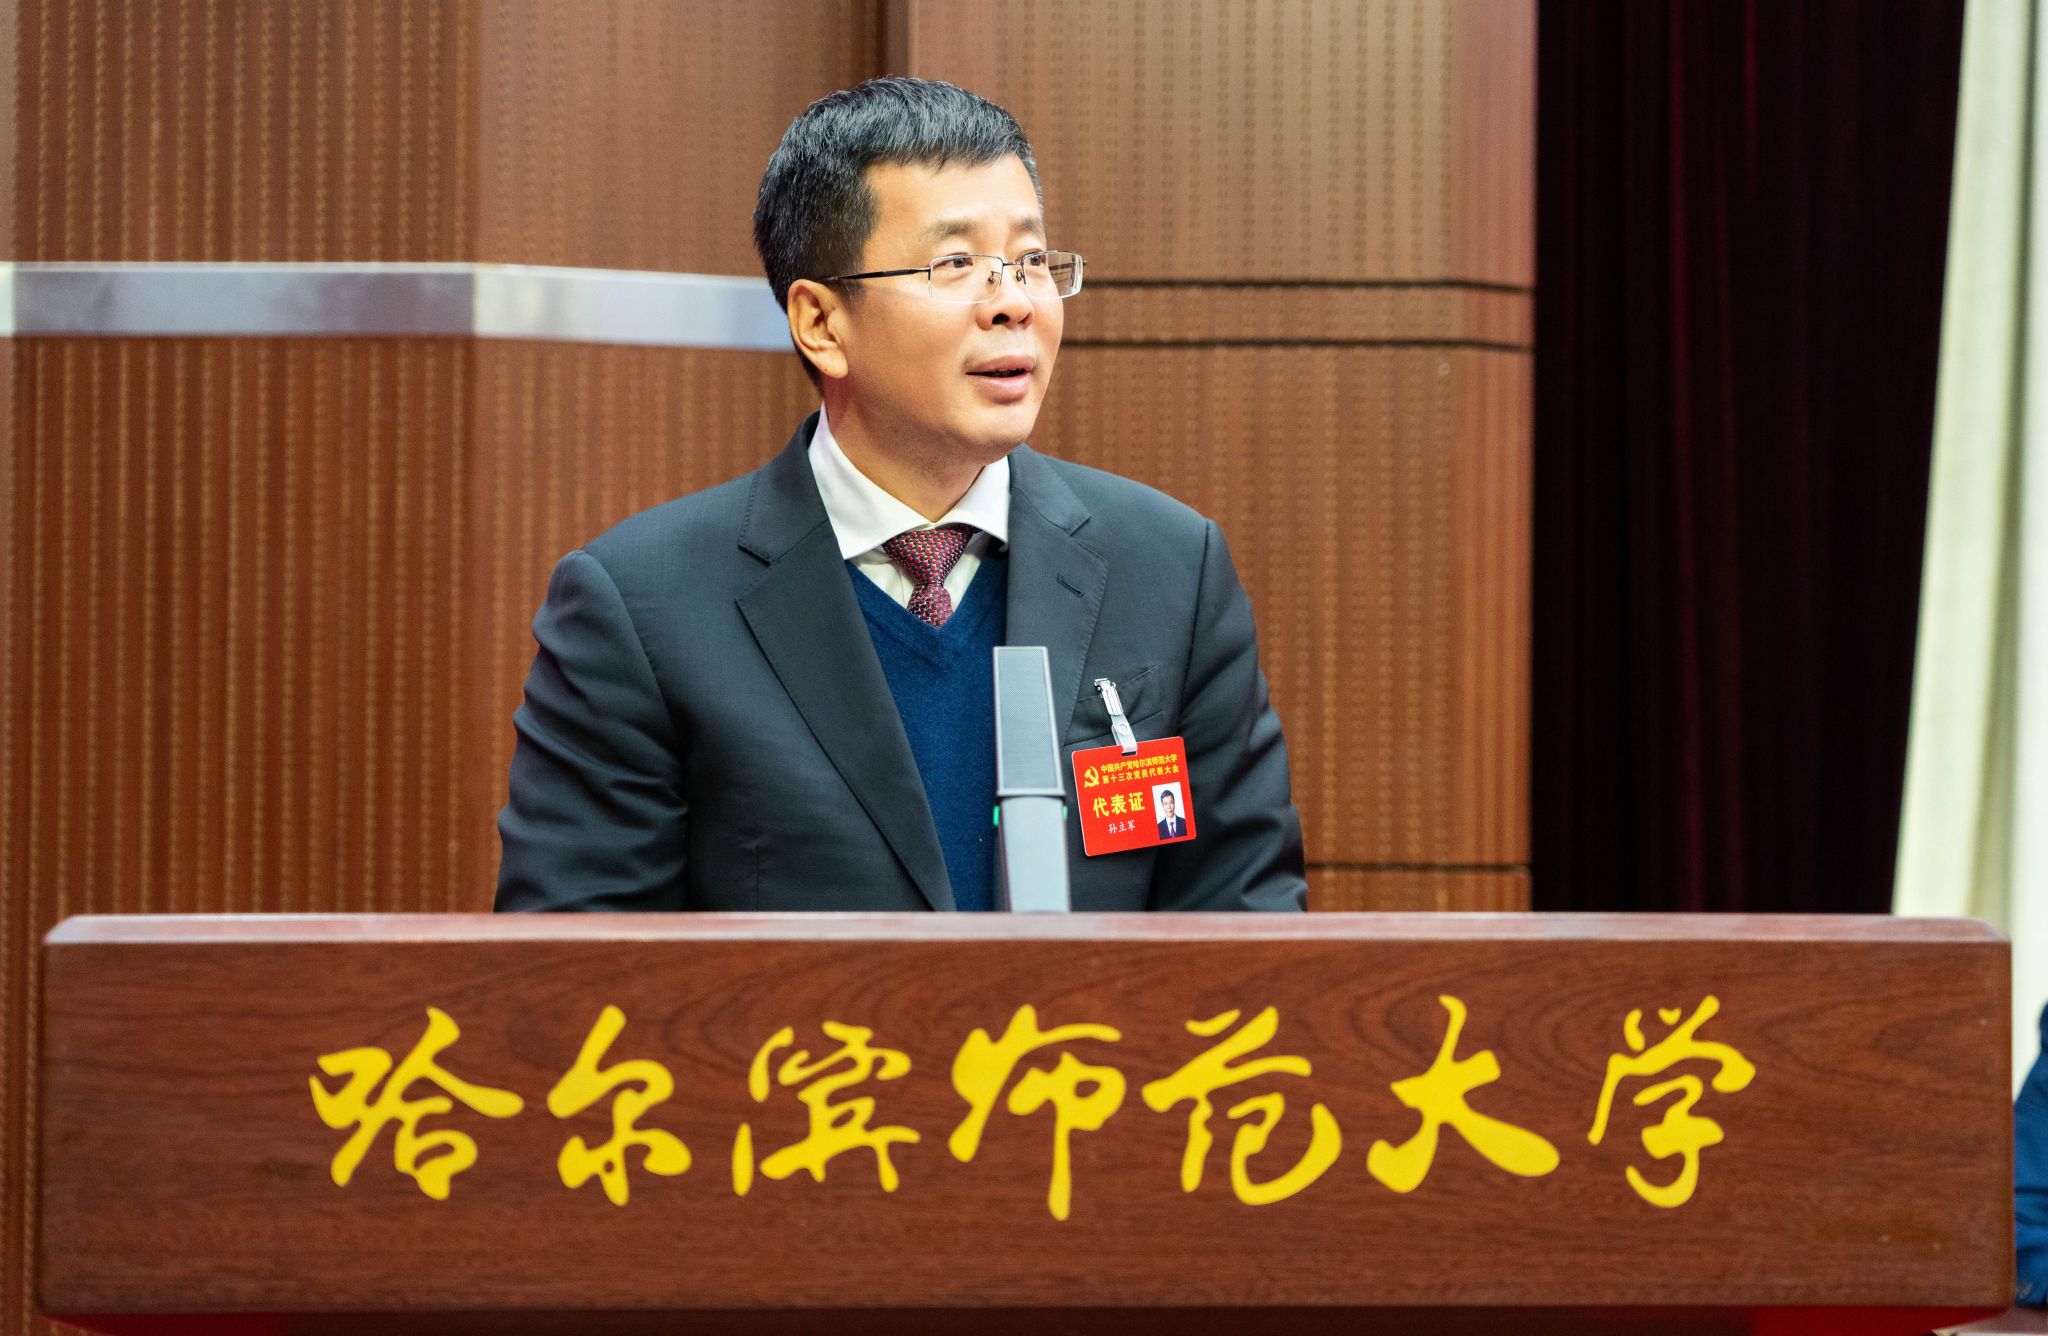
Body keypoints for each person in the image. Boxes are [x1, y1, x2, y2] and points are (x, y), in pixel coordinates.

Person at [494, 77, 1305, 914]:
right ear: (821, 324)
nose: (1013, 303)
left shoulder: (1169, 569)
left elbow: (1249, 925)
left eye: (1031, 262)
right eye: (955, 265)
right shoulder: (643, 606)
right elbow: (582, 965)